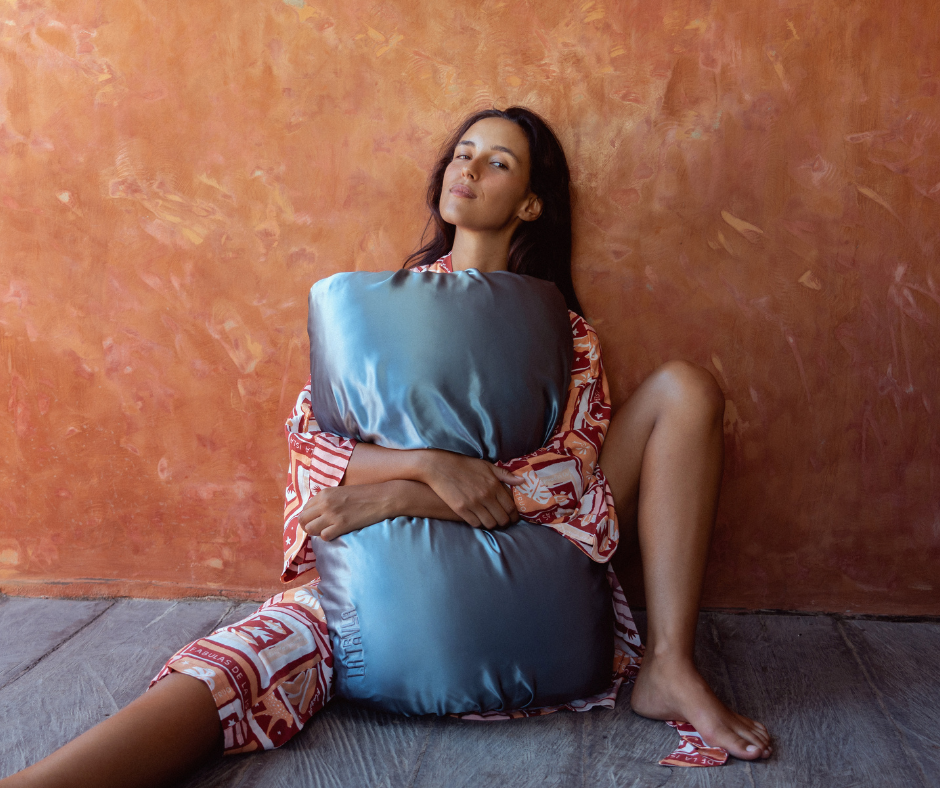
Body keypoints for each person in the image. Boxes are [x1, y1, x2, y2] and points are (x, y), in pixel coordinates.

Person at [1, 107, 771, 788]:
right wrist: (427, 466)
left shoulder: (563, 334)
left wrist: (401, 491)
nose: (469, 167)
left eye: (498, 161)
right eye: (464, 151)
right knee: (242, 662)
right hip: (380, 574)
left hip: (525, 567)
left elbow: (572, 479)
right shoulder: (377, 308)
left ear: (530, 203)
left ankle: (670, 664)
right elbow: (315, 459)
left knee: (687, 388)